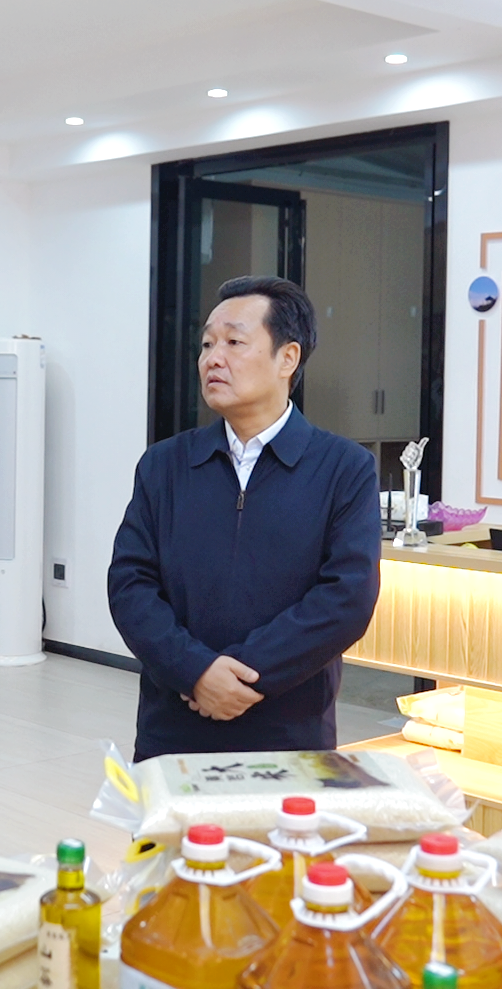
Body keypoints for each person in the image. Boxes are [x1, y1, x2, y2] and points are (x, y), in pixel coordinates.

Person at [109, 276, 381, 762]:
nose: (213, 359)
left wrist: (241, 676)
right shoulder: (164, 464)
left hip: (289, 732)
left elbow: (346, 598)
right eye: (207, 344)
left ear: (287, 358)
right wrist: (196, 672)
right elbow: (130, 585)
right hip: (172, 728)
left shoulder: (344, 467)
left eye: (234, 342)